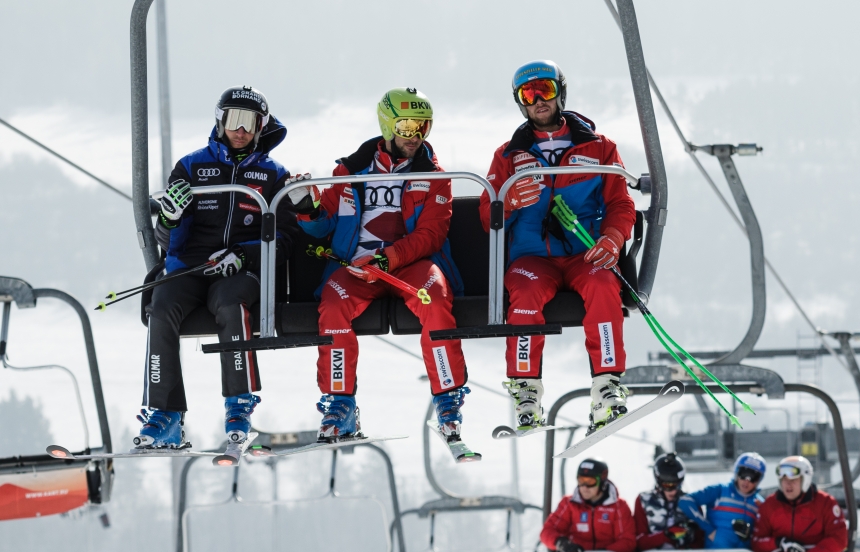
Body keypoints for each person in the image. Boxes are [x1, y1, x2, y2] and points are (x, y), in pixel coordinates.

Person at [297, 88, 479, 462]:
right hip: (357, 267)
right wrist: (308, 210)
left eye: (422, 126)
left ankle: (448, 400)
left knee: (436, 299)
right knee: (332, 306)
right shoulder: (349, 171)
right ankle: (340, 403)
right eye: (407, 125)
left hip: (409, 265)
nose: (415, 135)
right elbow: (323, 225)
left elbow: (432, 234)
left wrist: (389, 258)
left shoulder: (434, 176)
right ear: (387, 124)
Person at [137, 86, 298, 450]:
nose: (240, 130)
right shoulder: (191, 167)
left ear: (261, 128)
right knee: (161, 305)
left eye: (250, 123)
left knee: (230, 305)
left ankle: (238, 405)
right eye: (233, 120)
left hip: (239, 271)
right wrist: (170, 218)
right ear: (220, 120)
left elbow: (286, 239)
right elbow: (168, 240)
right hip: (191, 267)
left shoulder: (274, 175)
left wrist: (243, 254)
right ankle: (165, 414)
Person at [480, 60, 636, 434]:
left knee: (603, 286)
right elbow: (487, 217)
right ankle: (526, 389)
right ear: (519, 102)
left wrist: (613, 238)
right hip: (534, 257)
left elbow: (620, 203)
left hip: (585, 253)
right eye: (528, 94)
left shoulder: (599, 148)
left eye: (545, 91)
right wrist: (509, 200)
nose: (538, 101)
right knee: (526, 293)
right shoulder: (507, 155)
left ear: (560, 93)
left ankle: (607, 385)